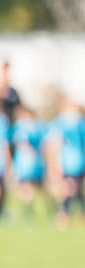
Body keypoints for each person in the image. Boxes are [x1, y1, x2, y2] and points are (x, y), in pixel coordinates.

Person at [45, 98, 85, 229]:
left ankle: (66, 214)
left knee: (73, 189)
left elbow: (53, 144)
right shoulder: (65, 122)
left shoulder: (71, 123)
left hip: (73, 162)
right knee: (72, 188)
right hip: (70, 162)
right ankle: (68, 214)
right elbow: (53, 143)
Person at [10, 105, 51, 221]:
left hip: (29, 164)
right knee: (30, 187)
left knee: (30, 187)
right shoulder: (28, 126)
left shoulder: (24, 127)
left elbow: (24, 144)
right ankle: (32, 211)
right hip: (31, 164)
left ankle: (34, 211)